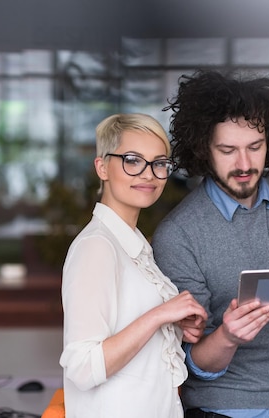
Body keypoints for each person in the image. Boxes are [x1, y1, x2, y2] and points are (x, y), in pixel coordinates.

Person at [151, 69, 269, 418]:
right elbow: (190, 361)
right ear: (203, 150)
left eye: (254, 147)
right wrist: (228, 336)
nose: (244, 164)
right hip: (219, 408)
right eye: (227, 150)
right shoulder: (178, 234)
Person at [59, 113, 208, 418]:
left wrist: (174, 327)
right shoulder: (97, 247)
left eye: (159, 163)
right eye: (132, 160)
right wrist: (159, 315)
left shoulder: (133, 245)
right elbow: (83, 366)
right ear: (102, 167)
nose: (148, 174)